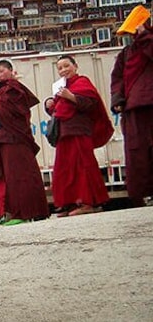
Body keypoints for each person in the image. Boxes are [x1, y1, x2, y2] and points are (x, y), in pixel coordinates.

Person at [0, 59, 51, 222]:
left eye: (2, 71)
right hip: (5, 137)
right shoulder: (1, 91)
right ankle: (22, 212)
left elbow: (0, 113)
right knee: (12, 177)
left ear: (11, 72)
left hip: (15, 138)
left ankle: (27, 212)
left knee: (21, 176)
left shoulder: (12, 89)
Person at [43, 55, 113, 216]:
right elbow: (58, 110)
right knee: (64, 169)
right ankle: (69, 203)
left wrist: (71, 97)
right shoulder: (62, 87)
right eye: (60, 68)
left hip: (79, 131)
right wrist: (50, 104)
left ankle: (89, 202)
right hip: (64, 132)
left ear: (75, 66)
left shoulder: (82, 82)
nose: (63, 70)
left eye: (66, 66)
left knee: (83, 166)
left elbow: (91, 104)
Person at [110, 8, 153, 207]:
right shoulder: (126, 54)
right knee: (138, 152)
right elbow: (117, 79)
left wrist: (146, 37)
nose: (132, 36)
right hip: (133, 108)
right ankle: (144, 193)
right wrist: (118, 99)